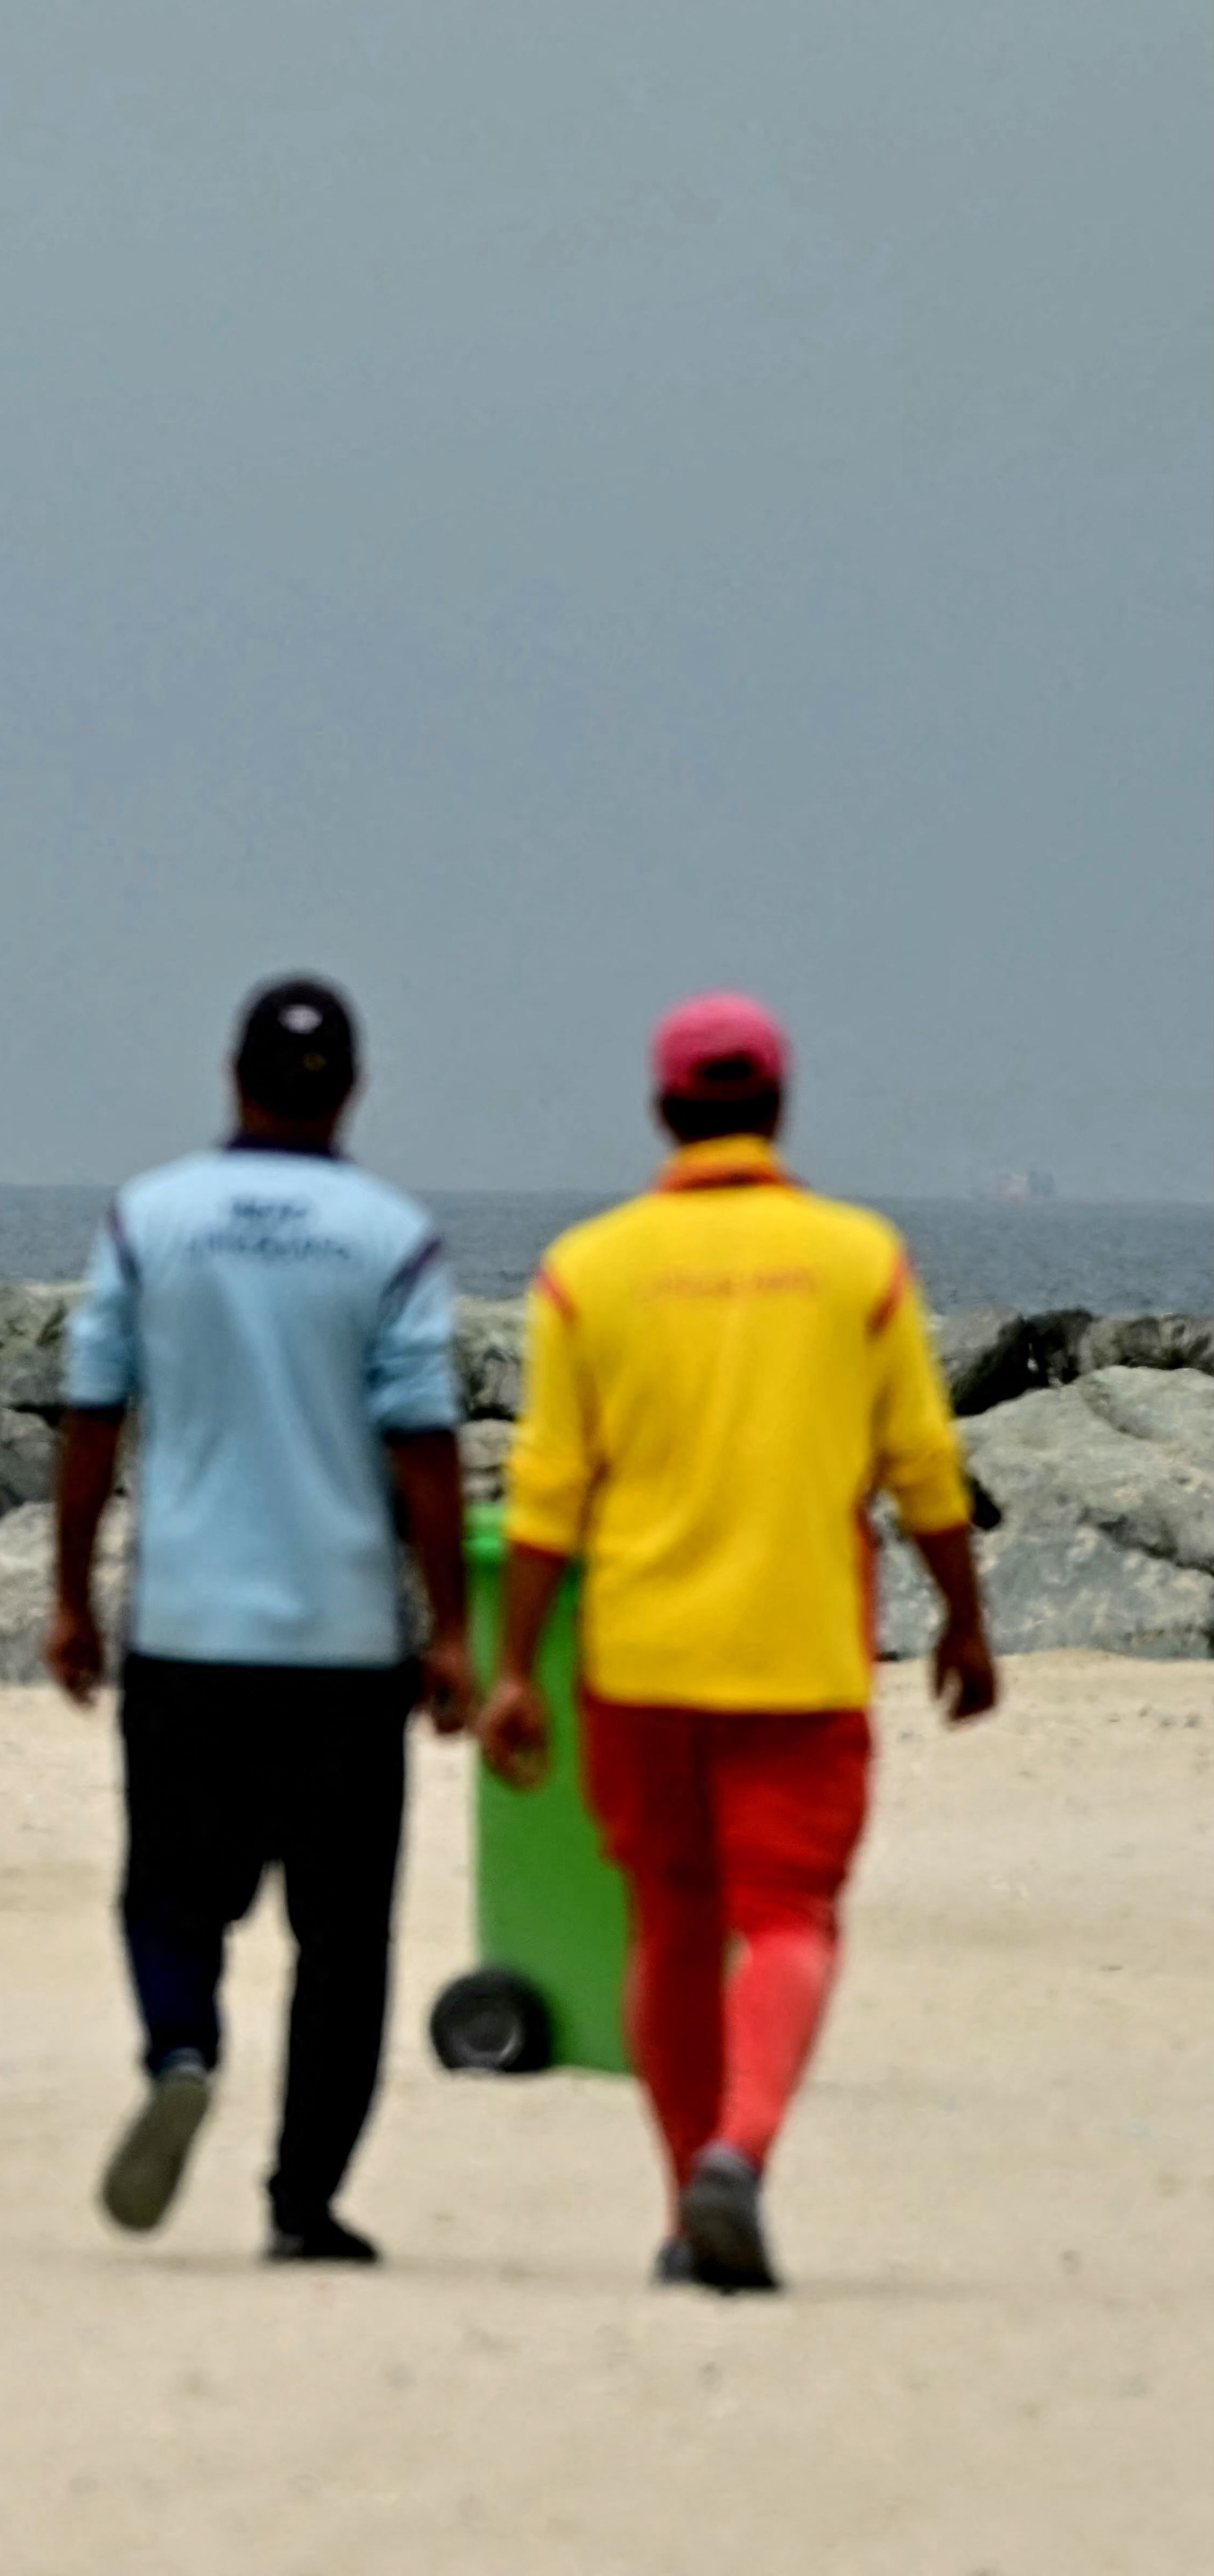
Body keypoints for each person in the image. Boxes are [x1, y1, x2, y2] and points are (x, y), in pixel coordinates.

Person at [478, 993, 993, 2294]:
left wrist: (511, 1669)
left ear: (663, 1114)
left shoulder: (585, 1270)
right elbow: (923, 1466)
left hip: (639, 1659)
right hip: (798, 1653)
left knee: (668, 1923)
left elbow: (546, 1491)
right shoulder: (858, 1260)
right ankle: (743, 2156)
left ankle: (679, 2206)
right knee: (790, 1916)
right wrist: (966, 1621)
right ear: (777, 1106)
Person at [54, 976, 471, 2265]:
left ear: (231, 1075)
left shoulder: (151, 1219)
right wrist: (452, 1625)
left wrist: (70, 1594)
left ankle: (182, 2044)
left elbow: (92, 1412)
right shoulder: (388, 1235)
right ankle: (303, 2201)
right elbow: (423, 1448)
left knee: (170, 1894)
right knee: (343, 1942)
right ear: (349, 1088)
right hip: (343, 1644)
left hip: (189, 1631)